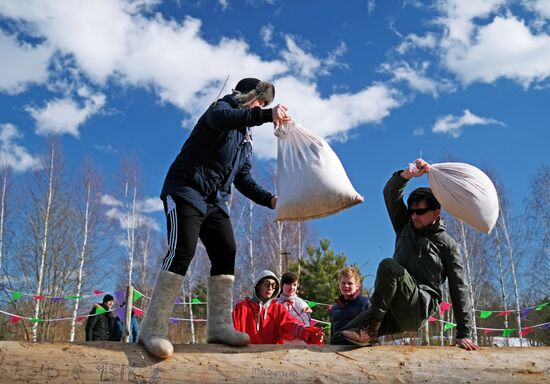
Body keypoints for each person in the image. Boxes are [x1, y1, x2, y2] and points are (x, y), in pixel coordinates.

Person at [138, 78, 290, 359]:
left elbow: (243, 178)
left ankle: (219, 327)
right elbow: (224, 118)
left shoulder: (245, 138)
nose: (260, 108)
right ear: (245, 97)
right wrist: (267, 115)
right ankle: (152, 328)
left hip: (215, 200)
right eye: (259, 102)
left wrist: (270, 200)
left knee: (226, 250)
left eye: (264, 106)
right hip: (185, 189)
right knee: (183, 250)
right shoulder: (222, 108)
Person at [332, 159, 478, 351]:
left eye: (421, 211)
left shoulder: (448, 246)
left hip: (417, 306)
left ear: (436, 213)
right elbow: (390, 193)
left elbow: (459, 289)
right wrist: (407, 174)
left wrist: (464, 333)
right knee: (339, 340)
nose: (414, 216)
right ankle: (370, 347)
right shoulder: (405, 226)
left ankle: (371, 331)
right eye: (412, 212)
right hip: (391, 309)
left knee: (388, 266)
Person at [232, 270, 324, 345]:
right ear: (258, 284)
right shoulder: (242, 307)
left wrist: (309, 333)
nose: (270, 288)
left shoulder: (277, 309)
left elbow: (290, 324)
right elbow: (232, 330)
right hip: (246, 356)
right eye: (267, 284)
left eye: (273, 285)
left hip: (272, 357)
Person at [329, 267, 370, 337]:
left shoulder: (365, 303)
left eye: (350, 283)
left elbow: (373, 330)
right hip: (338, 346)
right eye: (343, 283)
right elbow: (333, 334)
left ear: (357, 286)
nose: (346, 286)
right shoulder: (335, 308)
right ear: (339, 285)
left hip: (359, 347)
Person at [276, 271, 313, 344]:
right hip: (280, 343)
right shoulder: (274, 304)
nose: (292, 287)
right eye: (288, 284)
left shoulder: (302, 304)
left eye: (294, 284)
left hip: (299, 344)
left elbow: (306, 324)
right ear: (282, 285)